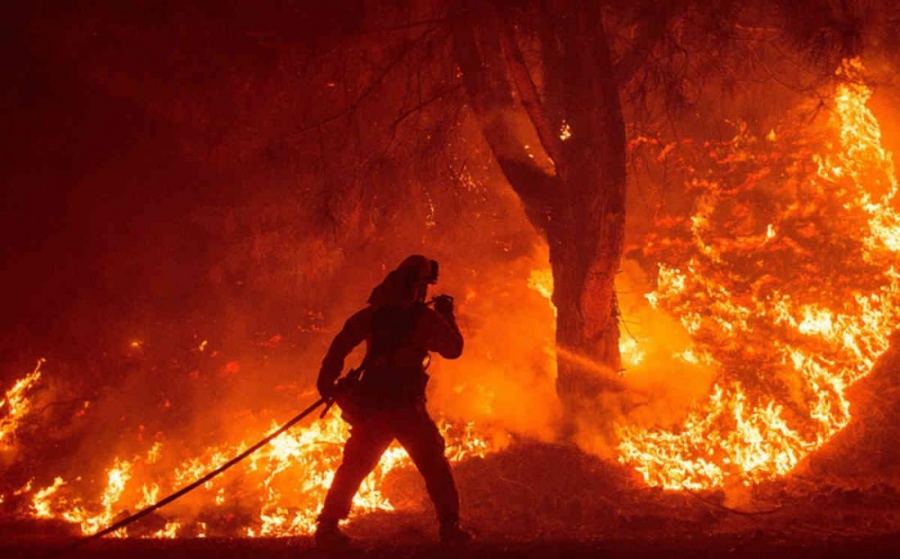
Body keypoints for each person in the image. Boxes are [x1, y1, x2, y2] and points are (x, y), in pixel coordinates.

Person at [314, 254, 472, 549]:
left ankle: (327, 526)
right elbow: (453, 349)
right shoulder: (423, 317)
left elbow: (342, 342)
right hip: (405, 407)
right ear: (420, 285)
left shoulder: (375, 314)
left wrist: (327, 379)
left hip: (373, 406)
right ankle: (450, 528)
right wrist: (447, 314)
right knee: (433, 464)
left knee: (356, 465)